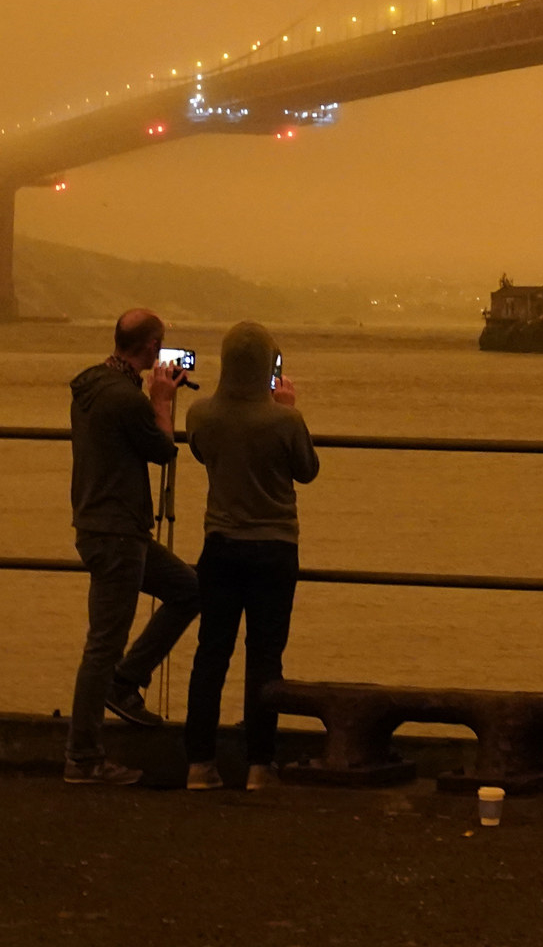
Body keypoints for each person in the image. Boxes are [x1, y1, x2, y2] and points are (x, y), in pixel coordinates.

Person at [181, 318, 319, 790]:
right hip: (275, 548)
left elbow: (202, 455)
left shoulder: (200, 414)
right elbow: (307, 470)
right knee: (265, 658)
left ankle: (199, 764)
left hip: (219, 545)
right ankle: (261, 765)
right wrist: (288, 408)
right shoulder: (285, 421)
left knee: (210, 654)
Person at [64, 306, 200, 785]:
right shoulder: (127, 399)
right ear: (149, 347)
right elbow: (162, 451)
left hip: (101, 526)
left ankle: (125, 682)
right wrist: (162, 402)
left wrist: (150, 396)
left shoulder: (89, 386)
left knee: (189, 589)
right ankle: (83, 758)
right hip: (118, 533)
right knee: (102, 645)